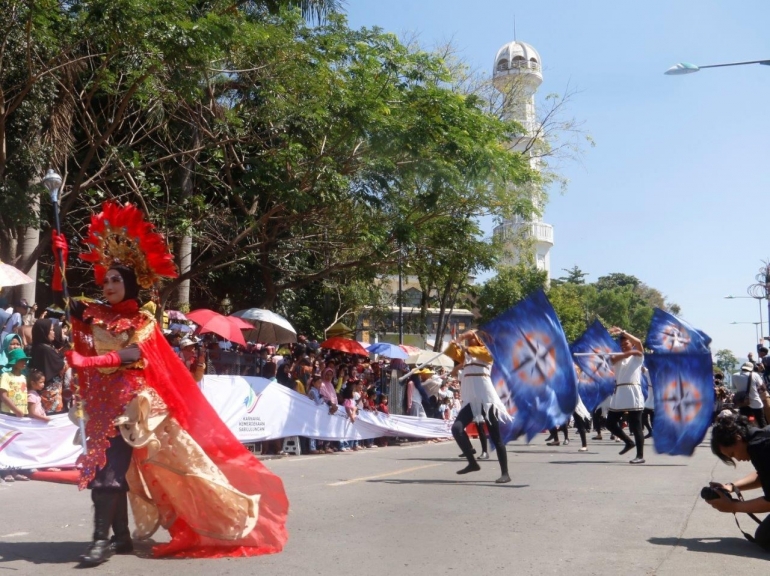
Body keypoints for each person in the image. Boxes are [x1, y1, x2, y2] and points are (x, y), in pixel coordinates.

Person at [63, 201, 288, 565]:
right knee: (113, 472)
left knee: (108, 474)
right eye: (105, 281)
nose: (107, 286)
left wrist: (92, 359)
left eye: (115, 280)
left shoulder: (143, 320)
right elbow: (67, 304)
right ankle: (119, 537)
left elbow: (135, 355)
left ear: (132, 282)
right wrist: (60, 262)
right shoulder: (95, 313)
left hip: (134, 411)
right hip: (101, 406)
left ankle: (99, 542)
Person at [445, 330, 511, 483]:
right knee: (456, 429)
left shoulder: (486, 352)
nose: (469, 339)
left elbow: (475, 351)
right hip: (470, 400)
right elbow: (450, 351)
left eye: (472, 337)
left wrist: (467, 340)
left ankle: (505, 473)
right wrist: (461, 337)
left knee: (496, 438)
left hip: (487, 400)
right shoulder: (466, 356)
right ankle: (472, 462)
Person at [707, 413, 770, 550]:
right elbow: (764, 475)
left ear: (737, 438)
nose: (737, 459)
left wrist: (733, 507)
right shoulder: (760, 437)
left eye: (733, 454)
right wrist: (732, 487)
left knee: (766, 538)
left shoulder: (760, 447)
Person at [605, 327, 646, 464]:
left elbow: (639, 343)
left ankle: (640, 455)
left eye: (626, 344)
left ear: (631, 344)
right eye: (621, 345)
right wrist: (628, 352)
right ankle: (628, 442)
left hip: (633, 391)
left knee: (636, 425)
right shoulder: (617, 357)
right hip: (620, 393)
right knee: (610, 422)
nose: (623, 347)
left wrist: (623, 332)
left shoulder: (637, 357)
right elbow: (612, 360)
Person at [0, 348, 32, 482]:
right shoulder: (6, 376)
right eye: (21, 360)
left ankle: (16, 469)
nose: (24, 362)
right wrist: (15, 409)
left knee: (18, 443)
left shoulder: (24, 377)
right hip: (9, 415)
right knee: (7, 443)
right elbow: (3, 395)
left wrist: (24, 411)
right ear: (14, 362)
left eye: (25, 360)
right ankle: (6, 470)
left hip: (21, 416)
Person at [29, 318, 66, 414]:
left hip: (48, 391)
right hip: (50, 394)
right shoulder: (45, 349)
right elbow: (60, 365)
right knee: (52, 418)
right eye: (51, 330)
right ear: (44, 332)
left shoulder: (41, 346)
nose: (54, 332)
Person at [732, 362, 767, 428]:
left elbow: (734, 387)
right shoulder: (754, 375)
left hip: (743, 403)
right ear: (751, 368)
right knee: (761, 421)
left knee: (746, 422)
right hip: (755, 402)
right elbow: (763, 388)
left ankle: (748, 435)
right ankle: (764, 435)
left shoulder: (734, 375)